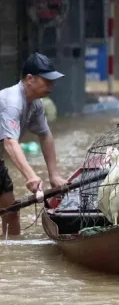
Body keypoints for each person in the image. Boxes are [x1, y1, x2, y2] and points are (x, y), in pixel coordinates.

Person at [0, 52, 67, 236]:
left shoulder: (36, 104)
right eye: (47, 81)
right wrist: (31, 177)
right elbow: (10, 143)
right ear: (30, 79)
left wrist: (54, 175)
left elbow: (45, 135)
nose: (51, 86)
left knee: (10, 212)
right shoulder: (12, 102)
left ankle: (11, 255)